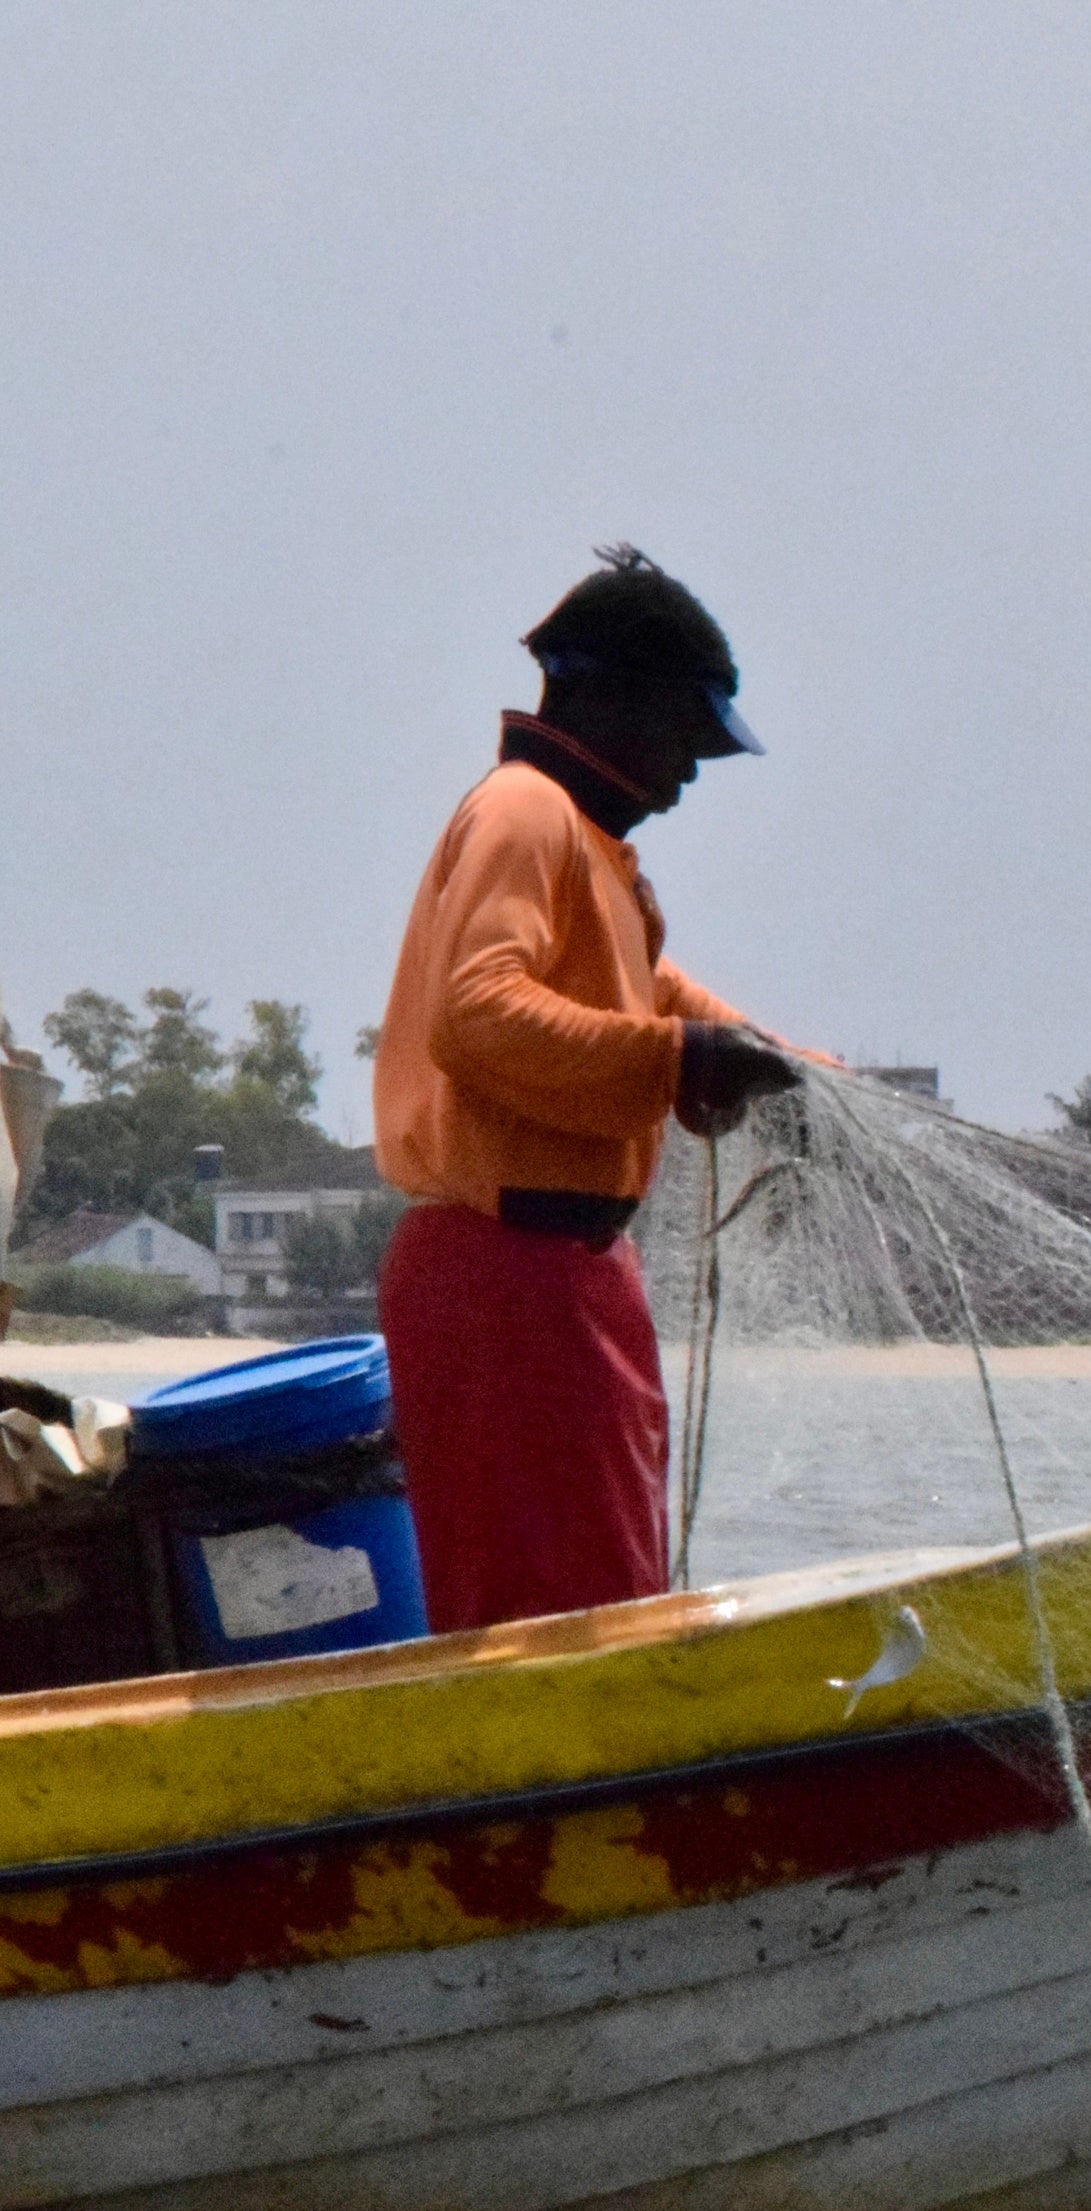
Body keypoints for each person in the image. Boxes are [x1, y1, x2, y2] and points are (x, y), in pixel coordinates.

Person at [371, 547, 805, 1632]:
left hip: (563, 1277)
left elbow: (657, 995)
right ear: (605, 696)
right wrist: (677, 1065)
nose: (691, 773)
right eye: (684, 737)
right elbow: (477, 1012)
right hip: (506, 1278)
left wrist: (788, 1066)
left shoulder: (592, 849)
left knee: (607, 1593)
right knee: (557, 1616)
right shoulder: (525, 813)